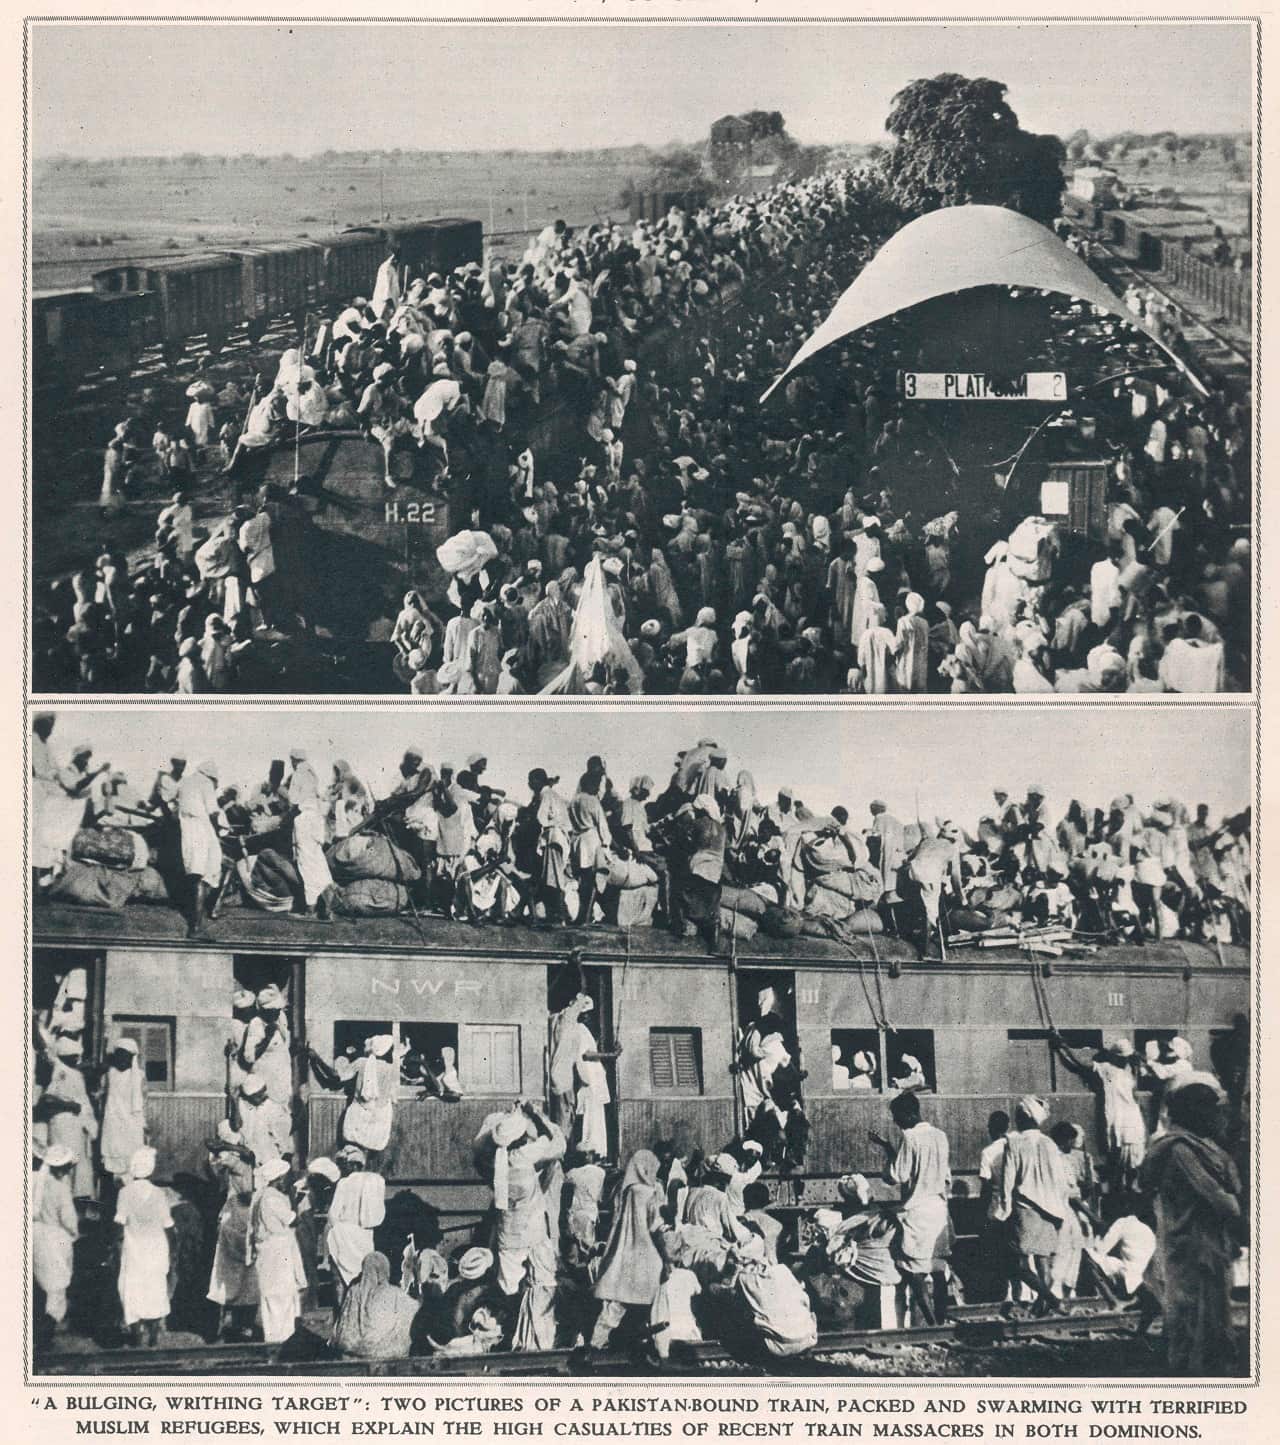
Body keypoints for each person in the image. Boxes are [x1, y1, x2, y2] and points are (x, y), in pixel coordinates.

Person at [1139, 1080, 1244, 1374]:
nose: (1220, 1118)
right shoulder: (1181, 1150)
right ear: (1197, 1114)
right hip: (1191, 1250)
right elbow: (1224, 1202)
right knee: (1195, 1325)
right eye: (1214, 1111)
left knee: (1210, 1323)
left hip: (1206, 1249)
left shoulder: (1202, 1147)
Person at [871, 1091, 950, 1325]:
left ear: (908, 1114)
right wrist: (888, 1146)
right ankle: (942, 1321)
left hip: (918, 1212)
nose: (895, 1121)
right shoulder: (940, 1135)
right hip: (939, 1208)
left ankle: (931, 1324)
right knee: (938, 1269)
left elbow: (898, 1175)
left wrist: (887, 1161)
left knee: (914, 1272)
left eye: (897, 1116)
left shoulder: (910, 1137)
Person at [995, 1096, 1070, 1317]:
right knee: (1042, 1262)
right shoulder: (1049, 1144)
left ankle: (1052, 1301)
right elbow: (1061, 1181)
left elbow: (1007, 1181)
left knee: (1018, 1265)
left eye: (1018, 1115)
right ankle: (1043, 1310)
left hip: (1025, 1208)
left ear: (1025, 1117)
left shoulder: (1014, 1142)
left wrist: (1004, 1209)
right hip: (1050, 1210)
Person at [589, 1148, 664, 1349]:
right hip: (648, 1254)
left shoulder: (627, 1191)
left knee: (615, 1304)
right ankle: (654, 1343)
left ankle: (594, 1344)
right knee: (653, 1303)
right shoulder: (651, 1192)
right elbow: (655, 1224)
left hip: (624, 1253)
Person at [116, 1146, 174, 1347]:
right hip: (156, 1247)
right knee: (155, 1287)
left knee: (132, 1288)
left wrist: (116, 1244)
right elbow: (168, 1225)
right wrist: (172, 1251)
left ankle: (136, 1332)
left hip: (134, 1248)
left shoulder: (124, 1193)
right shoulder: (159, 1194)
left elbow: (119, 1222)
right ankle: (154, 1334)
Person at [249, 1158, 307, 1346]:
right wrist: (295, 1201)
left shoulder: (261, 1196)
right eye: (286, 1177)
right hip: (277, 1251)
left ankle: (277, 1335)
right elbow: (293, 1220)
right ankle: (279, 1338)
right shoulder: (272, 1198)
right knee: (280, 1295)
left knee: (274, 1294)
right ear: (279, 1179)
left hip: (269, 1251)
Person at [547, 993, 613, 1158]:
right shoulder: (576, 1027)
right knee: (578, 1121)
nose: (590, 1018)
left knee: (580, 1119)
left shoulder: (560, 1022)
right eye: (588, 1014)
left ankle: (587, 1153)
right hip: (579, 1081)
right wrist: (612, 1055)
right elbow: (587, 1054)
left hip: (576, 1080)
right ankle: (579, 1155)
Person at [325, 1144, 387, 1304]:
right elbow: (377, 1216)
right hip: (364, 1238)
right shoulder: (375, 1181)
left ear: (352, 1165)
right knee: (364, 1282)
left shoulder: (344, 1184)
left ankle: (341, 1321)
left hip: (344, 1238)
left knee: (340, 1284)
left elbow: (333, 1214)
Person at [332, 1250, 418, 1361]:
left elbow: (343, 1325)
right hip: (387, 1351)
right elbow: (414, 1307)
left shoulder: (354, 1291)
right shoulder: (395, 1293)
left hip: (354, 1350)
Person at [32, 1145, 79, 1333]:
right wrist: (74, 1233)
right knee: (57, 1284)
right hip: (54, 1237)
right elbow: (68, 1219)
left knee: (37, 1281)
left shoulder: (33, 1181)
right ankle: (48, 1326)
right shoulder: (61, 1188)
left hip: (33, 1233)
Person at [178, 759, 224, 937]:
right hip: (201, 829)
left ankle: (195, 921)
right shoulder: (205, 782)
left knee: (195, 874)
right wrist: (218, 832)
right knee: (207, 874)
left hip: (187, 831)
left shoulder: (186, 782)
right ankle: (196, 927)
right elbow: (213, 811)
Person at [100, 1037, 147, 1182]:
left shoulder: (139, 1076)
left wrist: (144, 1125)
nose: (121, 1059)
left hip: (132, 1124)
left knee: (133, 1162)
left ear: (131, 1057)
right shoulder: (109, 1074)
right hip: (113, 1125)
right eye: (118, 1054)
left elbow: (143, 1102)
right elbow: (102, 1093)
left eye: (125, 1055)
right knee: (112, 1162)